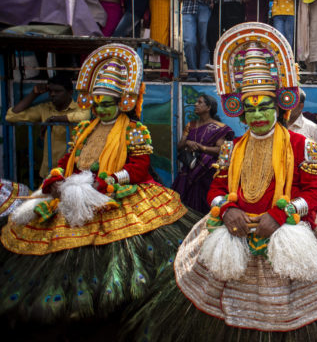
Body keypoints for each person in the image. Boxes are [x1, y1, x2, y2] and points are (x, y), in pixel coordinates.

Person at [125, 23, 317, 341]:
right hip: (235, 230)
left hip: (287, 232)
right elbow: (217, 188)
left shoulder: (302, 144)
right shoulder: (232, 147)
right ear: (240, 113)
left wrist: (281, 215)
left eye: (264, 107)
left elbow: (315, 191)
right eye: (250, 109)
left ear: (279, 106)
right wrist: (227, 209)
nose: (257, 116)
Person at [0, 44, 197, 338]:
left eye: (109, 103)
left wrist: (108, 181)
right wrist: (56, 176)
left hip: (118, 192)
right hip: (78, 192)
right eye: (99, 103)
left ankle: (117, 310)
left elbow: (140, 166)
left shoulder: (134, 129)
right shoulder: (85, 129)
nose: (103, 108)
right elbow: (71, 159)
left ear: (122, 102)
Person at [5, 74, 91, 180]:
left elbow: (85, 116)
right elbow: (12, 116)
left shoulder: (79, 108)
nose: (53, 94)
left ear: (70, 92)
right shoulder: (45, 109)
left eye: (58, 91)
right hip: (49, 170)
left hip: (73, 169)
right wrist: (34, 94)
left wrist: (54, 119)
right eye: (50, 91)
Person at [172, 95, 234, 214]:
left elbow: (221, 150)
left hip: (207, 171)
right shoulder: (191, 125)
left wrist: (202, 148)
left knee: (205, 204)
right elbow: (179, 146)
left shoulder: (220, 128)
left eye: (200, 102)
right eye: (196, 102)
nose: (196, 104)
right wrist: (188, 142)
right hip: (189, 169)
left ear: (209, 107)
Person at [287, 88, 317, 162]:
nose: (287, 107)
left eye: (291, 102)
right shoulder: (274, 127)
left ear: (301, 106)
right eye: (284, 102)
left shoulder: (313, 130)